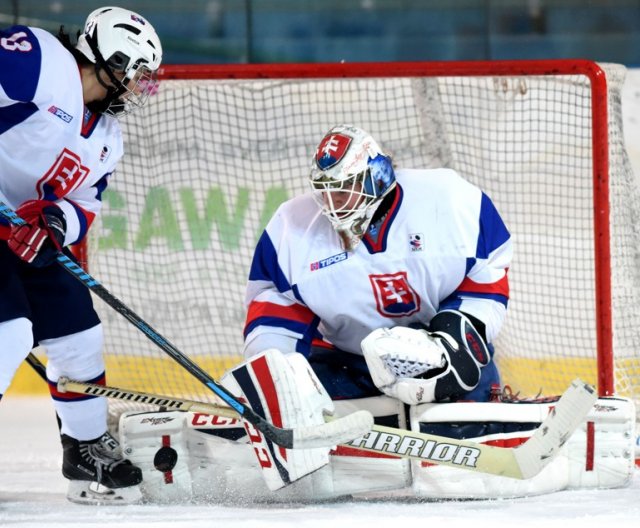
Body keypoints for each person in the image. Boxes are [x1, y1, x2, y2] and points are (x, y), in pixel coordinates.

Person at [0, 6, 162, 504]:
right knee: (9, 330)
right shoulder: (40, 61)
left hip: (22, 234)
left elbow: (84, 204)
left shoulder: (108, 139)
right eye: (136, 75)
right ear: (110, 61)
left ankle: (85, 447)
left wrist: (54, 222)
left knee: (79, 332)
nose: (139, 88)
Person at [242, 124, 512, 406]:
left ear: (376, 179)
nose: (332, 205)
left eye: (342, 192)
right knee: (299, 406)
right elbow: (276, 310)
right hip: (345, 364)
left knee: (472, 420)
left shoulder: (448, 200)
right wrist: (278, 380)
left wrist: (453, 340)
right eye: (326, 193)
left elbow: (486, 277)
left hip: (439, 354)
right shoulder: (291, 227)